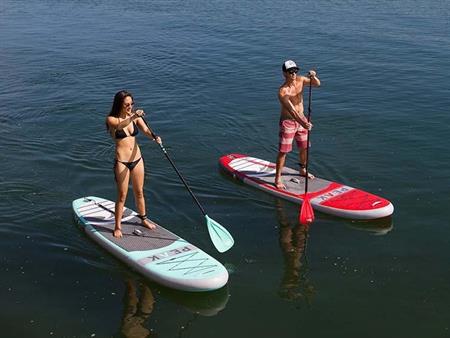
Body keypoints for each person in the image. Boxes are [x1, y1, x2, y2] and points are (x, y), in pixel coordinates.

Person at [106, 90, 162, 238]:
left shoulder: (134, 118)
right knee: (122, 195)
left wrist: (154, 137)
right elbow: (120, 125)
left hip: (137, 159)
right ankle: (118, 226)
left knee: (139, 192)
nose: (130, 107)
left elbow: (145, 130)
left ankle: (143, 219)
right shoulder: (111, 119)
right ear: (119, 105)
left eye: (131, 104)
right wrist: (134, 116)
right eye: (126, 105)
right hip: (122, 162)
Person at [275, 60, 321, 190]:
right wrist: (304, 123)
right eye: (290, 72)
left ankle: (302, 170)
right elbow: (292, 112)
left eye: (295, 71)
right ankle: (278, 178)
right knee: (284, 151)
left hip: (301, 120)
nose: (293, 74)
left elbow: (317, 84)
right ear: (284, 73)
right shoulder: (283, 91)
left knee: (304, 147)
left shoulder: (301, 80)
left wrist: (313, 76)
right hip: (288, 122)